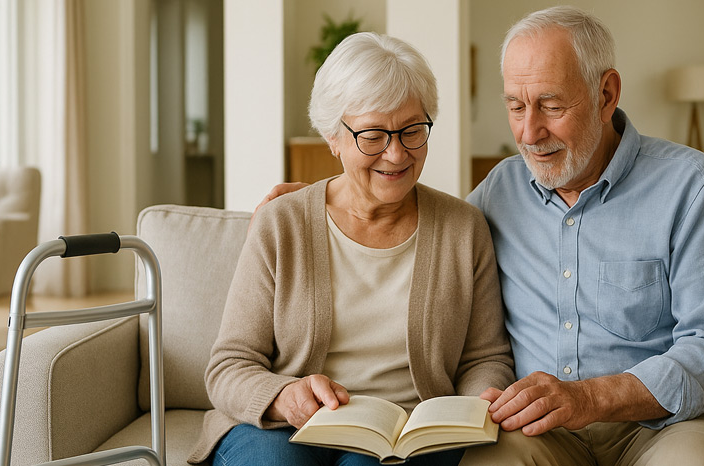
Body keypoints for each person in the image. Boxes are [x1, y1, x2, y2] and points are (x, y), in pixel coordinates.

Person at [256, 7, 704, 465]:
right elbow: (423, 223)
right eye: (516, 106)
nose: (530, 132)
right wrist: (335, 197)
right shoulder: (500, 191)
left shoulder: (691, 186)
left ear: (606, 95)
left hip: (667, 424)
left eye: (550, 105)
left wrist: (591, 397)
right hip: (540, 430)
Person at [188, 32, 515, 466]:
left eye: (412, 130)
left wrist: (477, 403)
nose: (396, 154)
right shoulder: (281, 223)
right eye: (374, 135)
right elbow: (230, 365)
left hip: (410, 428)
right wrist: (285, 397)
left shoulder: (463, 228)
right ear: (333, 137)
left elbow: (485, 357)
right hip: (289, 427)